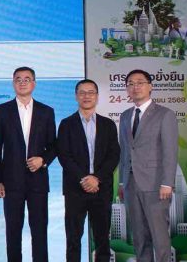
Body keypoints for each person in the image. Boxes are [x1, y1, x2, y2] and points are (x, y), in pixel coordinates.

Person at [0, 66, 57, 262]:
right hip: (11, 182)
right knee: (13, 232)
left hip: (38, 181)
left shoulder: (46, 111)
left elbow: (54, 146)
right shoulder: (2, 111)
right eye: (18, 79)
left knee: (39, 231)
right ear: (13, 84)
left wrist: (43, 160)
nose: (22, 82)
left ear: (34, 84)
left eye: (27, 79)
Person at [118, 69, 178, 262]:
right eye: (130, 83)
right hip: (131, 184)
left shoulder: (165, 114)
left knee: (159, 237)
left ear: (150, 86)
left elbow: (170, 151)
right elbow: (124, 151)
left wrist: (167, 183)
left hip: (156, 185)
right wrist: (121, 182)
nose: (135, 87)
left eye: (140, 82)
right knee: (139, 236)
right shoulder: (125, 116)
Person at [58, 79, 120, 262]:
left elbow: (114, 155)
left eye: (91, 92)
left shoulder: (108, 124)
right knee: (73, 238)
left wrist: (96, 178)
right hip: (75, 189)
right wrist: (84, 179)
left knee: (102, 239)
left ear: (97, 96)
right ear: (76, 96)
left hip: (101, 189)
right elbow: (64, 155)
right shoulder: (66, 124)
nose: (86, 96)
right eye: (82, 92)